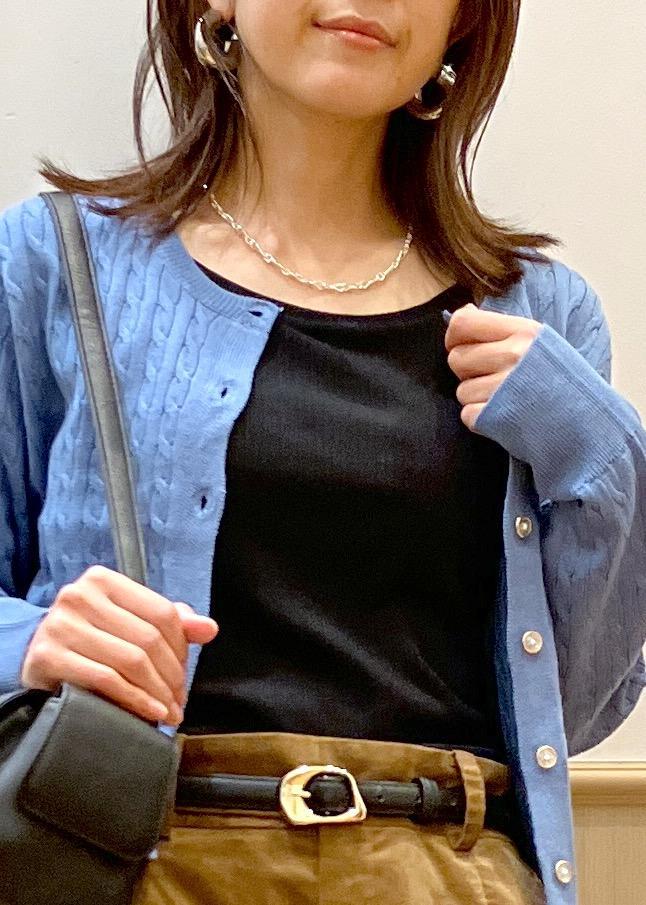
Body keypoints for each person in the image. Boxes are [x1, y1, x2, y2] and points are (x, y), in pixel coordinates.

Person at [0, 1, 644, 904]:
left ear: (461, 25)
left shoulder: (542, 312)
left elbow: (571, 707)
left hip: (447, 876)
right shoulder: (56, 264)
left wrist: (601, 449)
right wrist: (28, 642)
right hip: (135, 863)